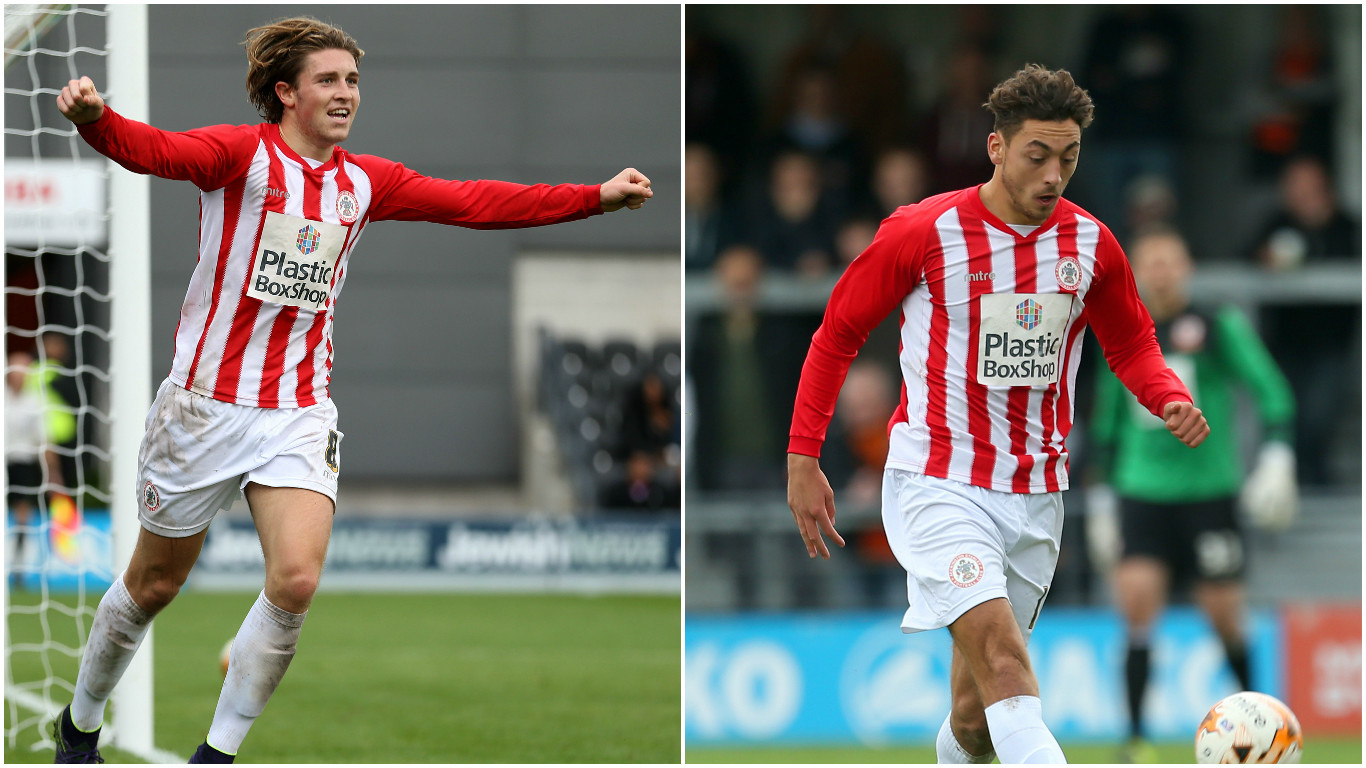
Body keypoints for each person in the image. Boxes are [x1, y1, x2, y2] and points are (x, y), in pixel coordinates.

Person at [52, 16, 651, 764]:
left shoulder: (365, 183)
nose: (346, 94)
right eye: (329, 80)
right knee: (152, 586)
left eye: (354, 81)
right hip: (202, 408)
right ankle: (78, 727)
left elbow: (477, 202)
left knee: (296, 581)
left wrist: (594, 196)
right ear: (286, 93)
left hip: (298, 410)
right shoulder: (241, 157)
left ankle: (216, 753)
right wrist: (96, 122)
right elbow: (158, 152)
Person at [785, 64, 1209, 764]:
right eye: (1037, 155)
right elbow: (837, 334)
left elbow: (1132, 341)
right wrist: (804, 457)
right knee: (1008, 664)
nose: (1053, 175)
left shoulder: (1091, 244)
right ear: (996, 148)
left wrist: (1166, 395)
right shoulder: (924, 232)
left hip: (1036, 493)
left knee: (977, 716)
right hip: (937, 480)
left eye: (1068, 159)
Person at [1085, 226, 1296, 763]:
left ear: (1187, 268)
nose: (1160, 272)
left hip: (1208, 490)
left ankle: (1264, 727)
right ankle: (1135, 741)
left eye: (1169, 261)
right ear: (1135, 272)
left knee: (1224, 612)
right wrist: (1104, 498)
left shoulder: (1216, 325)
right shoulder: (1121, 328)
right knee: (1136, 604)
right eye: (1149, 262)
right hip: (1142, 490)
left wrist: (1277, 452)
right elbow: (1105, 419)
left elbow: (1270, 389)